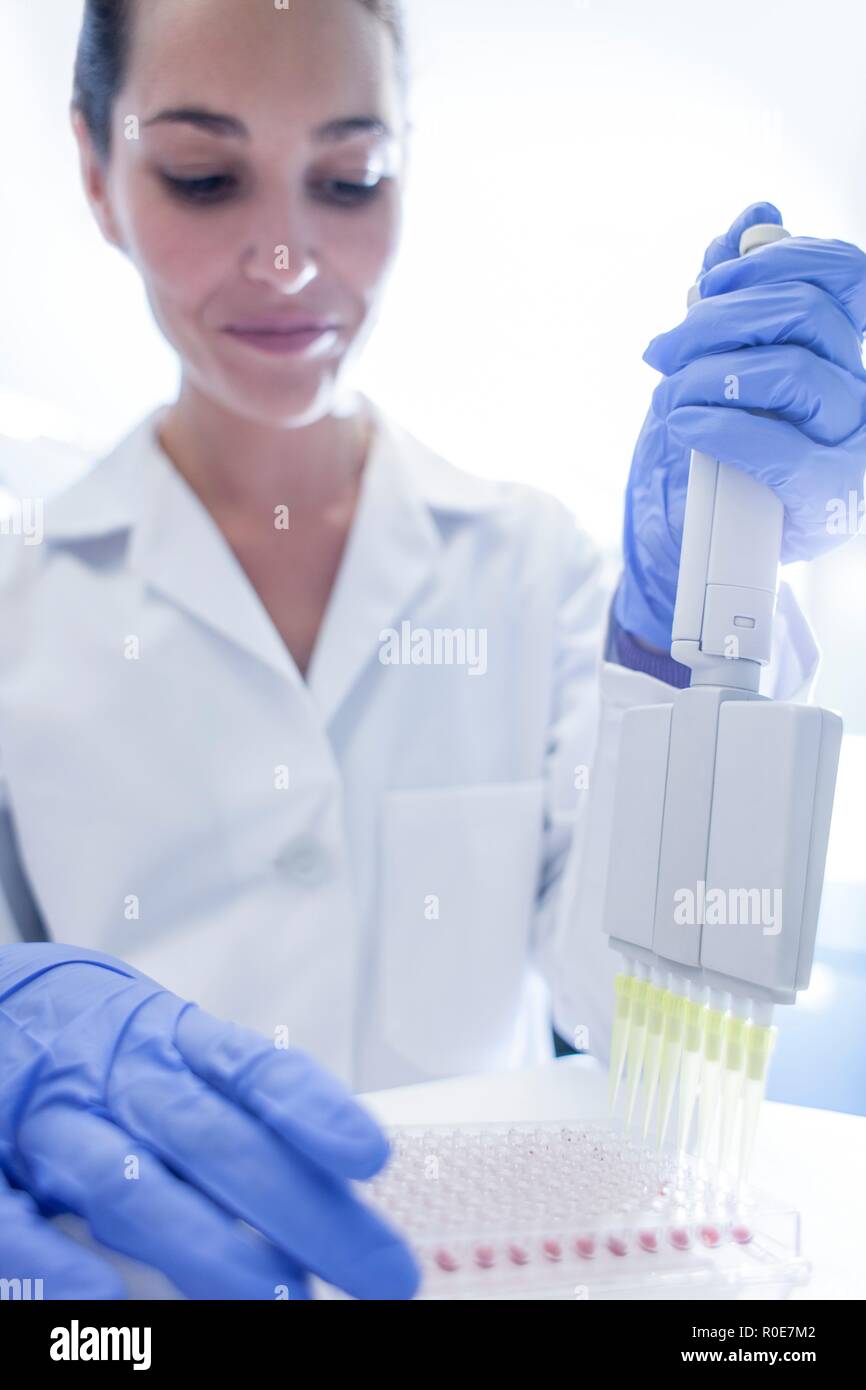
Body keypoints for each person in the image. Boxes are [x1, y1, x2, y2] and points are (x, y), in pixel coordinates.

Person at [1, 0, 864, 1300]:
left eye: (349, 178)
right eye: (203, 175)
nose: (287, 257)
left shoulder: (535, 568)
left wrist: (693, 621)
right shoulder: (21, 580)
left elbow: (674, 1044)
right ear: (95, 173)